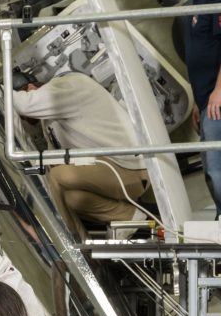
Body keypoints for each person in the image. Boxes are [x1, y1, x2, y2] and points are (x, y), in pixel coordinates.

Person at [11, 71, 150, 236]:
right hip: (114, 170)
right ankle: (127, 216)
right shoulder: (51, 120)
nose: (27, 120)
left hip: (132, 170)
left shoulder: (69, 85)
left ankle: (72, 244)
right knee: (72, 199)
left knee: (56, 177)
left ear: (31, 88)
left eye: (24, 117)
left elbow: (24, 105)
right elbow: (52, 160)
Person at [164, 0, 221, 217]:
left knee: (217, 170)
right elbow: (199, 58)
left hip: (218, 101)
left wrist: (218, 91)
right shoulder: (192, 8)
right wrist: (199, 101)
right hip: (207, 102)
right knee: (212, 171)